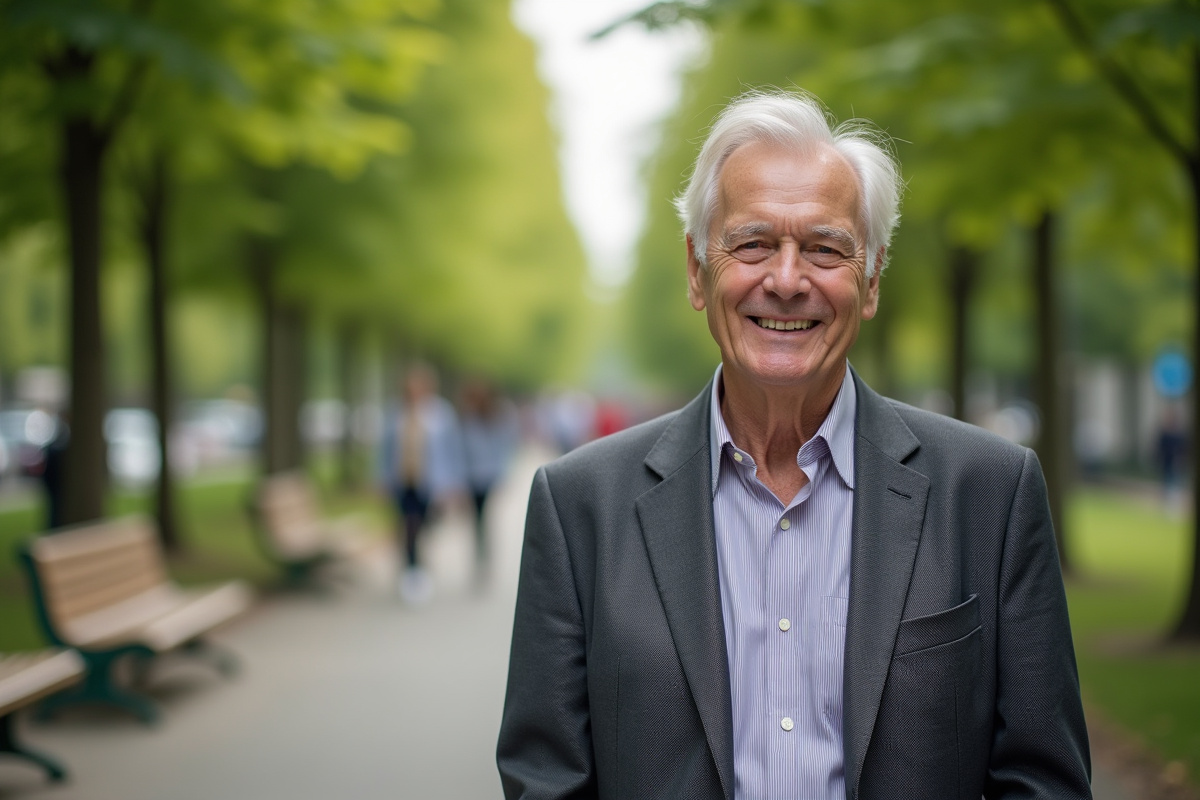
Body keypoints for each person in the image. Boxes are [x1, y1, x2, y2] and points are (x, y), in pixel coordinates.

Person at [497, 90, 1091, 799]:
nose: (785, 280)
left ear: (870, 279)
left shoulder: (990, 492)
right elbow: (546, 781)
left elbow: (1042, 779)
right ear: (696, 270)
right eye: (751, 244)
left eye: (824, 248)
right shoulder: (578, 507)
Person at [381, 363, 464, 604]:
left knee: (422, 526)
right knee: (408, 525)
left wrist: (453, 482)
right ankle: (411, 571)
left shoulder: (441, 413)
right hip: (402, 481)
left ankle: (417, 567)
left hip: (430, 482)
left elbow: (451, 449)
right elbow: (384, 450)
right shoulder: (395, 412)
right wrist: (381, 479)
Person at [459, 376, 520, 572]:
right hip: (470, 475)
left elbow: (504, 447)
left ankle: (484, 554)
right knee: (477, 517)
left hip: (489, 475)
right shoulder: (466, 417)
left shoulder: (497, 416)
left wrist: (502, 474)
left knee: (483, 516)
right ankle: (481, 553)